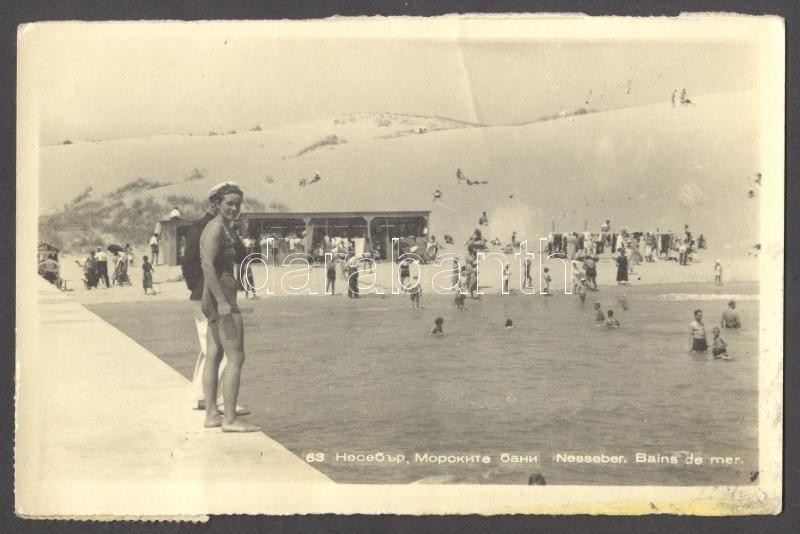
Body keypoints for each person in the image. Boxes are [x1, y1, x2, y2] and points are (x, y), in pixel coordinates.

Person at [200, 182, 259, 432]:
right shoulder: (216, 229)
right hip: (222, 294)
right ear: (217, 204)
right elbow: (207, 266)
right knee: (236, 356)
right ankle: (230, 419)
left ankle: (212, 414)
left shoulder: (221, 227)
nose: (234, 208)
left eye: (237, 204)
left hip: (214, 295)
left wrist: (211, 299)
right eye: (229, 204)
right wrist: (222, 301)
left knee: (214, 355)